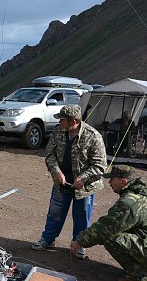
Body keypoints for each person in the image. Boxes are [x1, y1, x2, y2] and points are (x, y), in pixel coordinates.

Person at [70, 165, 147, 281]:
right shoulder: (144, 192)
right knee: (123, 228)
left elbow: (105, 227)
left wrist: (80, 241)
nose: (109, 182)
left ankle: (141, 277)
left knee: (111, 238)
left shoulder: (131, 202)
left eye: (112, 179)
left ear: (123, 181)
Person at [32, 105, 107, 260]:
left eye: (62, 119)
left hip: (84, 188)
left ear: (73, 121)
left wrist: (83, 179)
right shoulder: (58, 131)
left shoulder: (93, 136)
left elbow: (100, 166)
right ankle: (48, 239)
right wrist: (56, 171)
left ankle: (78, 244)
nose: (59, 121)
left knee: (82, 216)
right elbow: (49, 154)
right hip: (62, 184)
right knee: (55, 213)